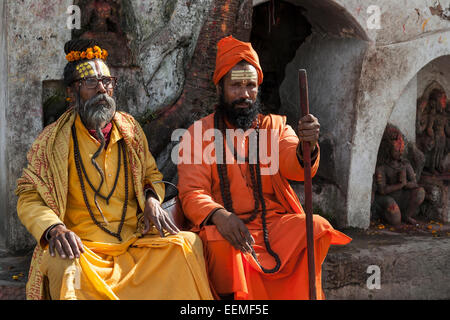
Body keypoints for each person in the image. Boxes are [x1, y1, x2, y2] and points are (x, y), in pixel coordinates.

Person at [15, 39, 212, 300]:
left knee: (187, 245)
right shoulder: (52, 141)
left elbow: (151, 176)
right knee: (65, 266)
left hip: (133, 241)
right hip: (83, 249)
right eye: (90, 83)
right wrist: (54, 229)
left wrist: (152, 199)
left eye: (107, 82)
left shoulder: (130, 129)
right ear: (72, 93)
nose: (102, 90)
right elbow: (29, 196)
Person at [177, 35, 351, 300]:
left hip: (273, 225)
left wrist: (308, 145)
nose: (244, 94)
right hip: (225, 224)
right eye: (236, 85)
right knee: (226, 243)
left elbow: (295, 166)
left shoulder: (276, 127)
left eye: (250, 85)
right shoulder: (197, 133)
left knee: (315, 226)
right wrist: (221, 217)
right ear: (220, 87)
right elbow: (191, 193)